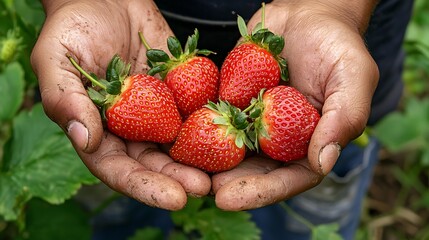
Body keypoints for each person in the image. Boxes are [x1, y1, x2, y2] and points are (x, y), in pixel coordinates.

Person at [31, 0, 413, 239]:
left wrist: (335, 8)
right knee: (115, 214)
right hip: (124, 38)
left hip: (312, 60)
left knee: (321, 163)